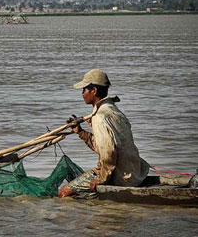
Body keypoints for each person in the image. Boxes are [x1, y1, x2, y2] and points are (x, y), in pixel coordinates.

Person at [58, 69, 149, 198]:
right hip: (135, 172)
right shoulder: (113, 110)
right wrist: (80, 132)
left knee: (63, 193)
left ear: (94, 91)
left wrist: (101, 179)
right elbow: (105, 146)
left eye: (84, 89)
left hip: (121, 177)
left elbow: (108, 154)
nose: (82, 93)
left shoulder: (100, 117)